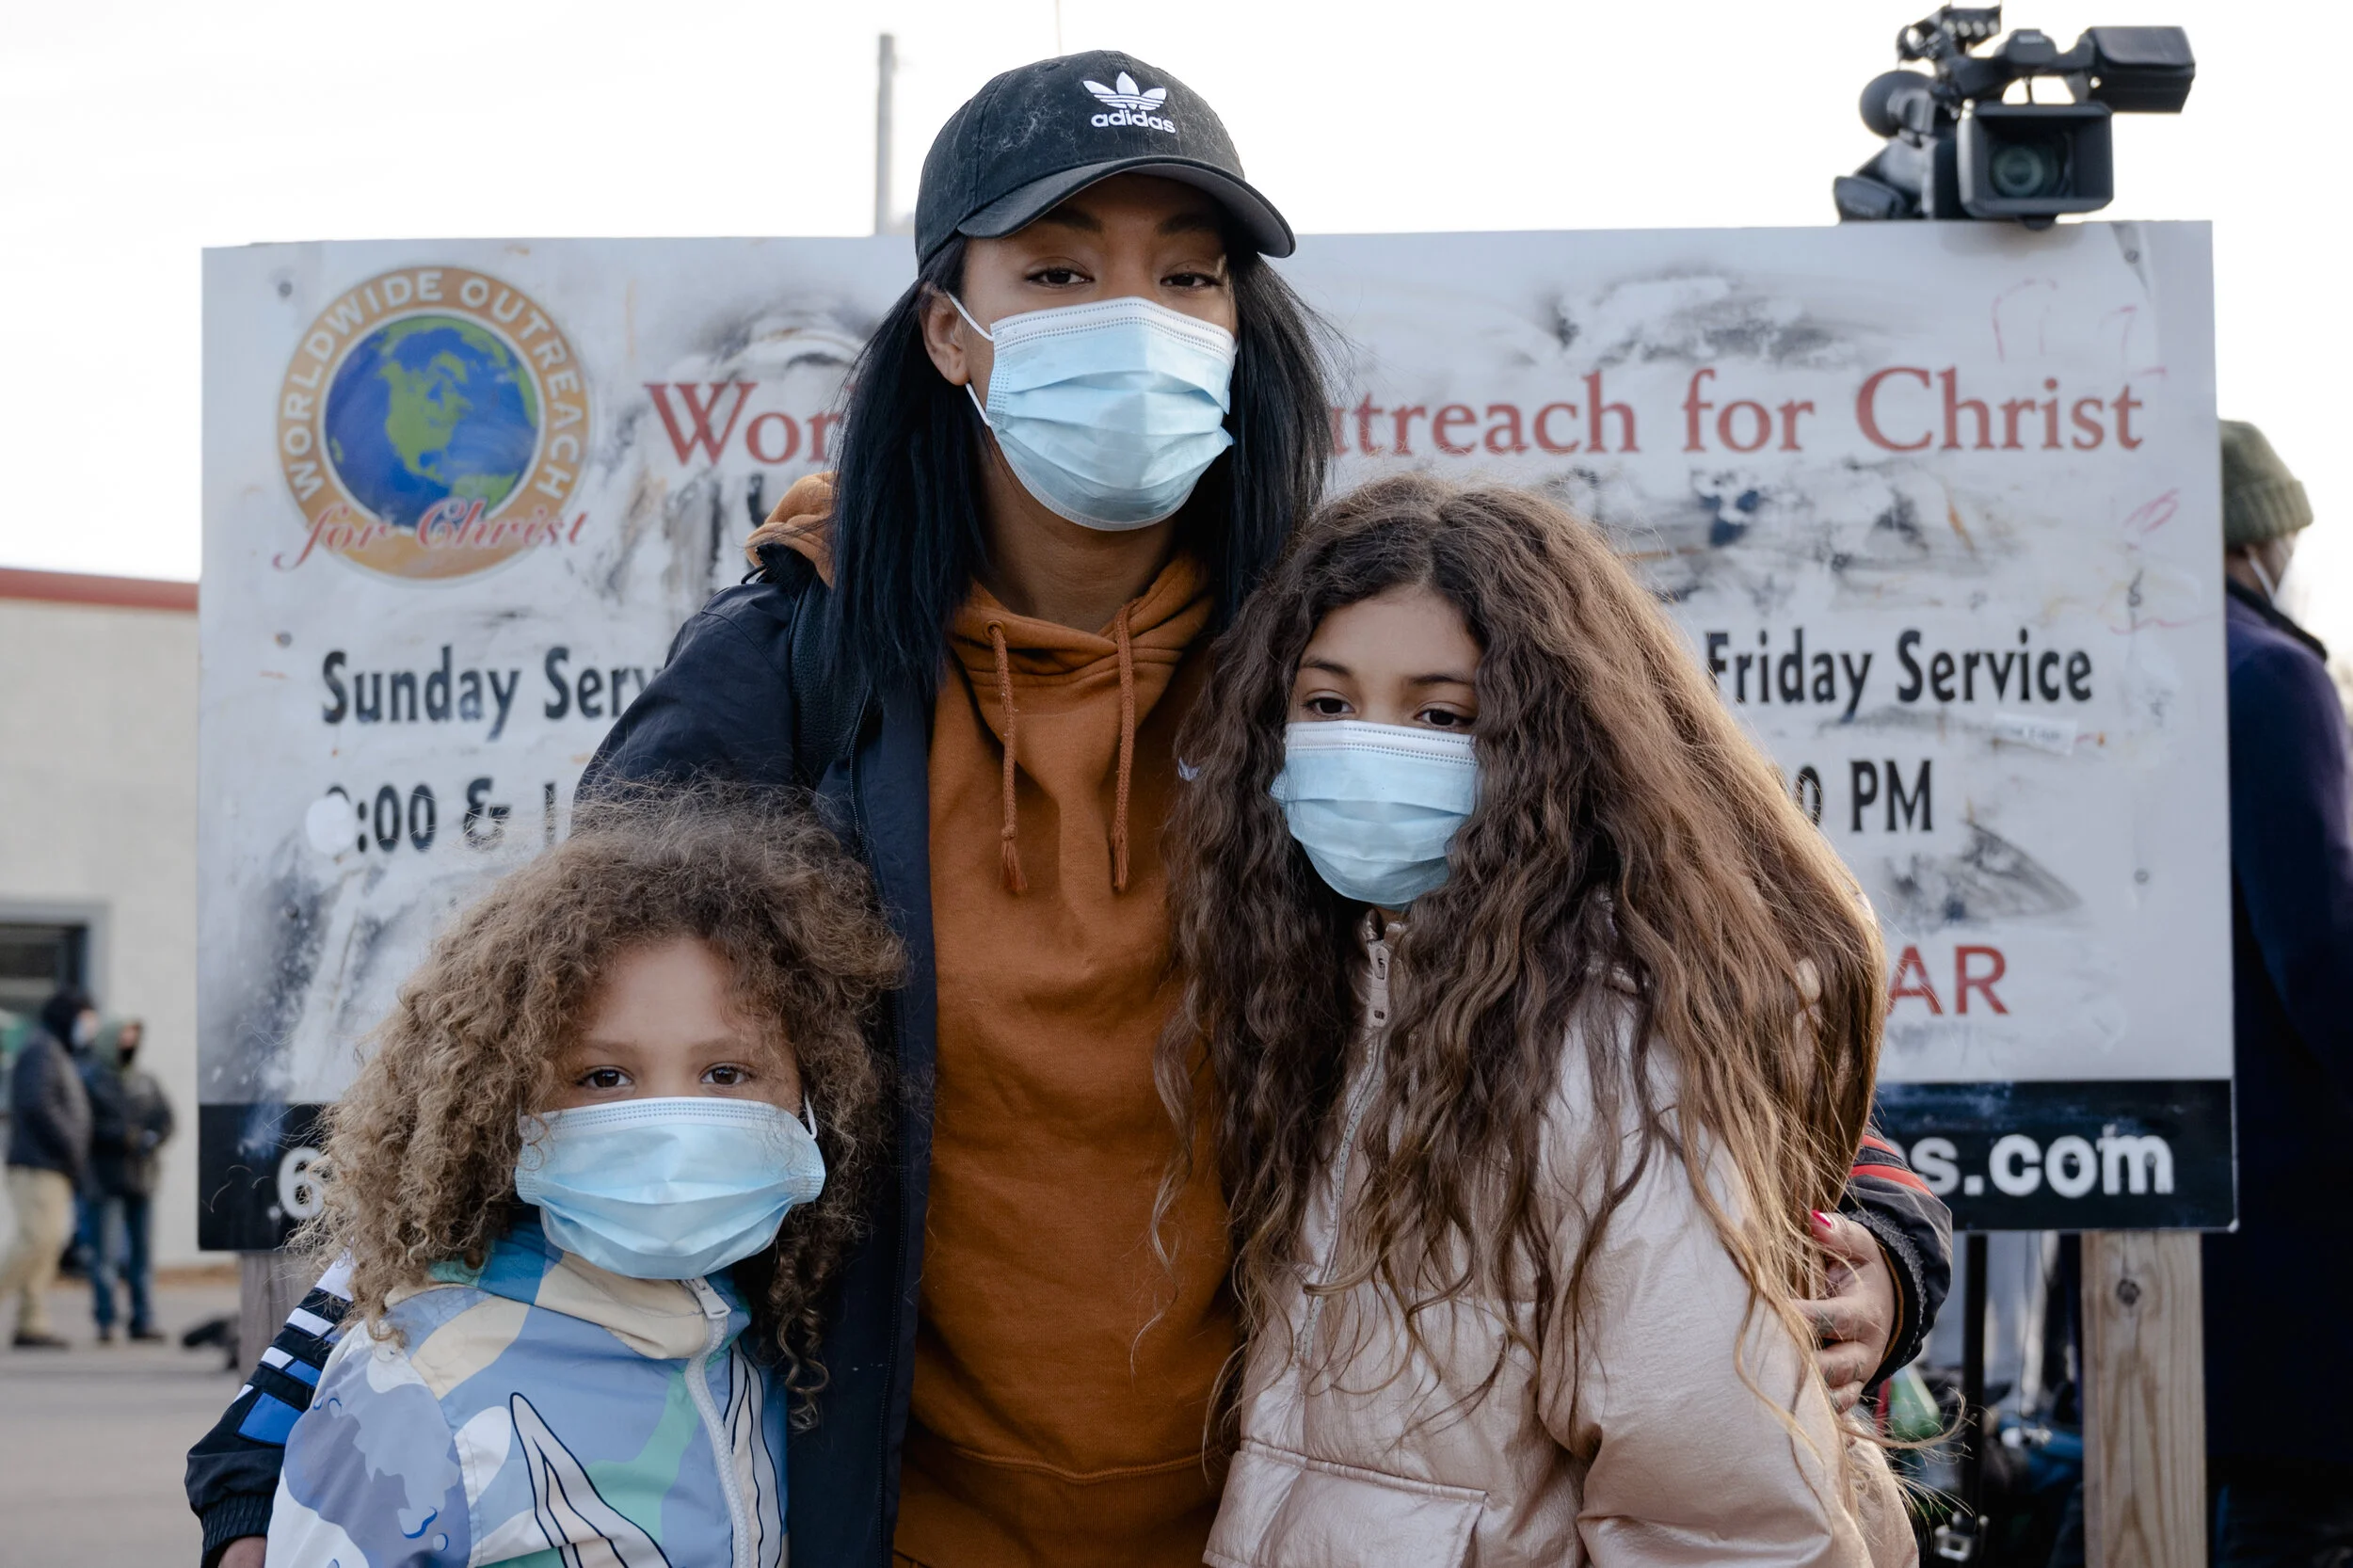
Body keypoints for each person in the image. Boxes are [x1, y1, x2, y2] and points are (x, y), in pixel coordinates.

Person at [188, 50, 1949, 1567]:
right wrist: (280, 1441)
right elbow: (553, 1053)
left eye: (1188, 275)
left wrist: (1881, 1236)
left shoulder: (1344, 666)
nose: (1135, 317)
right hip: (880, 1518)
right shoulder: (793, 672)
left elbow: (1662, 981)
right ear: (952, 330)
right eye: (1059, 268)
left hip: (1286, 1517)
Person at [1160, 475, 1913, 1564]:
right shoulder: (1324, 983)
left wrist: (1895, 1249)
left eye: (1439, 714)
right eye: (1326, 703)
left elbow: (1718, 1517)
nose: (1366, 747)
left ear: (1552, 738)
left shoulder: (1613, 1049)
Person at [261, 792, 898, 1565]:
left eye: (726, 1072)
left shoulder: (782, 1360)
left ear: (816, 1091)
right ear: (499, 1104)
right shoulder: (419, 1390)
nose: (671, 1127)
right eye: (603, 1077)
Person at [2201, 421, 2353, 1562]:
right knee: (2288, 1517)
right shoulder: (2267, 673)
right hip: (2292, 1199)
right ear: (2258, 534)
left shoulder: (2123, 659)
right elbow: (2323, 951)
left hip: (2174, 1199)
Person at [2, 986, 95, 1350]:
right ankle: (30, 1318)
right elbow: (37, 1104)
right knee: (36, 1240)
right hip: (38, 1163)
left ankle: (32, 1322)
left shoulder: (53, 1050)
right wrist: (70, 1143)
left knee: (46, 1244)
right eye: (86, 1017)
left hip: (51, 1164)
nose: (90, 1026)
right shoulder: (42, 1051)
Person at [82, 1017, 174, 1343]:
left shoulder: (145, 1081)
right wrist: (125, 1136)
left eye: (134, 1037)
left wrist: (153, 1137)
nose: (129, 1043)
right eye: (124, 1037)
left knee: (142, 1255)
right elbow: (86, 1125)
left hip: (142, 1177)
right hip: (106, 1179)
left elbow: (166, 1118)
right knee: (105, 1255)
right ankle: (106, 1320)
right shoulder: (91, 1081)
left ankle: (142, 1319)